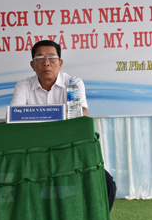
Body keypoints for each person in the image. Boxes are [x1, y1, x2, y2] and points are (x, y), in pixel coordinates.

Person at [10, 40, 116, 211]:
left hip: (69, 150)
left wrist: (37, 115)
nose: (46, 63)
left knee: (107, 183)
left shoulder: (73, 83)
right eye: (40, 58)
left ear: (60, 63)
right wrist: (60, 114)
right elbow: (16, 116)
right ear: (32, 64)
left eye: (52, 58)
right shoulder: (23, 86)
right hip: (36, 151)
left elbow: (80, 113)